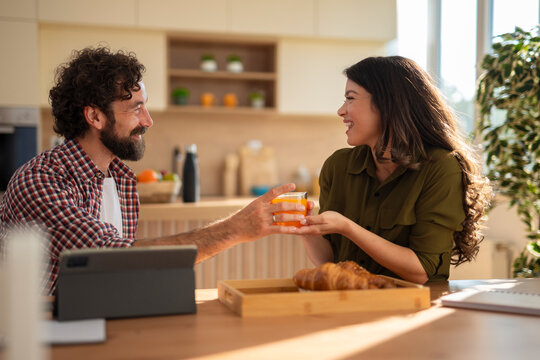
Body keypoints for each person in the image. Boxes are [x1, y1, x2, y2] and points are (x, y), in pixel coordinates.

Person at [0, 47, 308, 295]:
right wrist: (235, 228)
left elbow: (120, 272)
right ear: (94, 116)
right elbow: (110, 256)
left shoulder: (120, 178)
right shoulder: (40, 180)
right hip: (40, 337)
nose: (148, 121)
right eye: (135, 108)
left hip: (96, 318)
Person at [294, 56, 492, 284]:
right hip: (350, 302)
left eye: (350, 99)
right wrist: (307, 228)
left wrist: (348, 227)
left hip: (417, 307)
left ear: (387, 104)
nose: (341, 110)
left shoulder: (441, 168)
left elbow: (422, 270)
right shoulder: (338, 166)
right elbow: (329, 260)